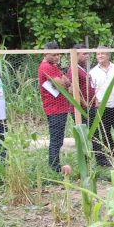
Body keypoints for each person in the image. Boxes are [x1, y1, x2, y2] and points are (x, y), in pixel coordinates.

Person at [38, 41, 71, 172]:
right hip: (54, 109)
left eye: (58, 54)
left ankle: (55, 165)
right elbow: (62, 85)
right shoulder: (46, 67)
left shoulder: (53, 66)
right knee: (56, 139)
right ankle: (54, 167)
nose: (57, 57)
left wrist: (63, 82)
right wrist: (62, 82)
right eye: (54, 55)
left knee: (59, 139)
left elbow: (67, 81)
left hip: (61, 107)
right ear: (45, 54)